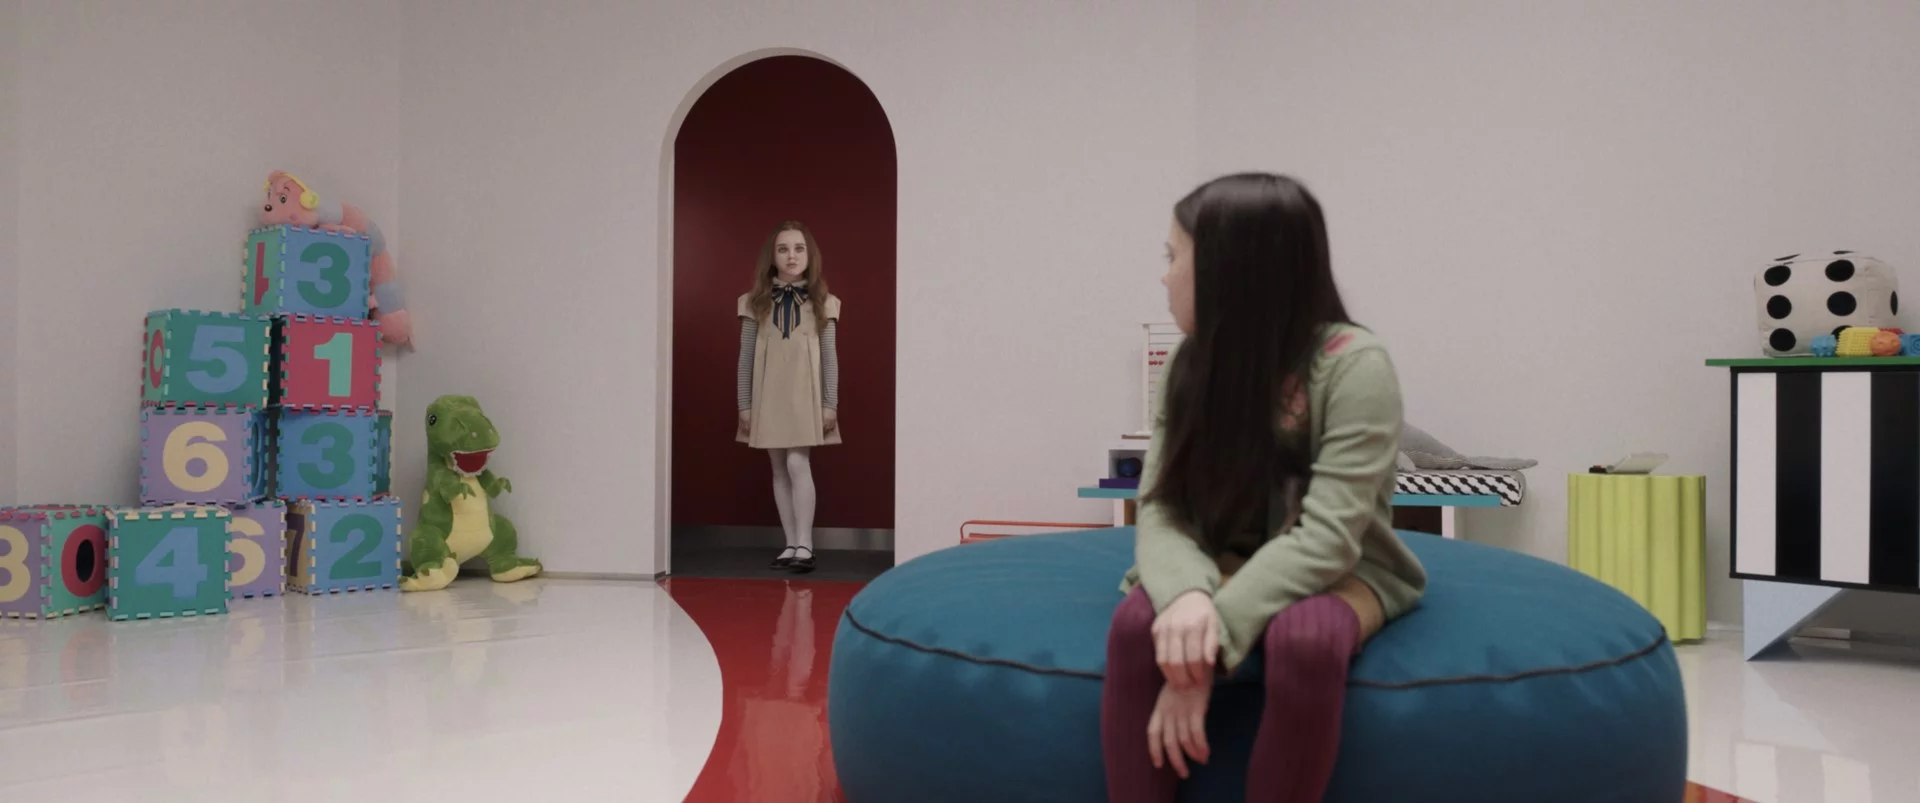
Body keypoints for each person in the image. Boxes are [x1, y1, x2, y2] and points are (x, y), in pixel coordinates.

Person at [1103, 173, 1428, 802]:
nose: (1163, 277)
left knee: (1306, 642)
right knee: (1136, 627)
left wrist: (1205, 650)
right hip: (1221, 553)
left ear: (1230, 271)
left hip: (1341, 569)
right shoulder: (1188, 363)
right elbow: (1162, 507)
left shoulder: (1354, 365)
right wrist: (1187, 597)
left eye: (1174, 257)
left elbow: (1329, 538)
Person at [737, 220, 843, 574]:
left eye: (799, 248)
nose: (791, 256)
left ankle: (805, 544)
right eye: (783, 249)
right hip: (768, 394)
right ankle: (790, 543)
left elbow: (830, 357)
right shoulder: (753, 303)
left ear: (810, 255)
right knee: (779, 468)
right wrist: (744, 404)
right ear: (772, 257)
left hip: (805, 395)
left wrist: (830, 402)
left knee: (798, 462)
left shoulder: (824, 303)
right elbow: (745, 357)